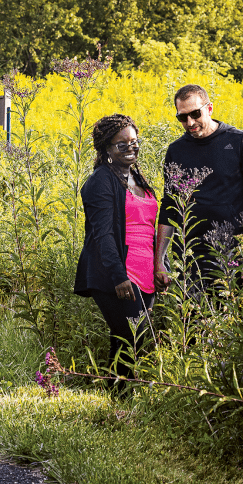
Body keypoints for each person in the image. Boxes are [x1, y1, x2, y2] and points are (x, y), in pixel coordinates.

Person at [73, 114, 167, 393]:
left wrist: (161, 265)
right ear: (106, 149)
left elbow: (149, 227)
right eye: (121, 144)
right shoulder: (101, 181)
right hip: (116, 275)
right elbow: (102, 234)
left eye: (134, 142)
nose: (131, 148)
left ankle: (118, 401)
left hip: (145, 272)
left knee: (126, 339)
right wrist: (118, 276)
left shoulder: (136, 176)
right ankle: (122, 399)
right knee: (134, 338)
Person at [157, 84, 243, 292]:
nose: (190, 122)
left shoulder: (239, 141)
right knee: (195, 321)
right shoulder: (176, 151)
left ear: (209, 108)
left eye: (195, 114)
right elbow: (169, 205)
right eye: (182, 117)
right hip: (190, 257)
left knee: (238, 320)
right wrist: (159, 260)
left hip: (233, 254)